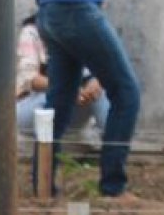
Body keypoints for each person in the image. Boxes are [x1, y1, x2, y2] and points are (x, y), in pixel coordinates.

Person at [33, 0, 141, 198]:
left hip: (50, 10)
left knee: (57, 107)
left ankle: (42, 184)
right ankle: (113, 187)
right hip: (77, 6)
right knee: (126, 94)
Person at [15, 13, 109, 144]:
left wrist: (95, 83)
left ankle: (113, 148)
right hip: (34, 107)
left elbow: (99, 70)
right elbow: (29, 79)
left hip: (75, 104)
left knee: (102, 91)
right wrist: (67, 88)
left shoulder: (85, 30)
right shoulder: (32, 31)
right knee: (62, 92)